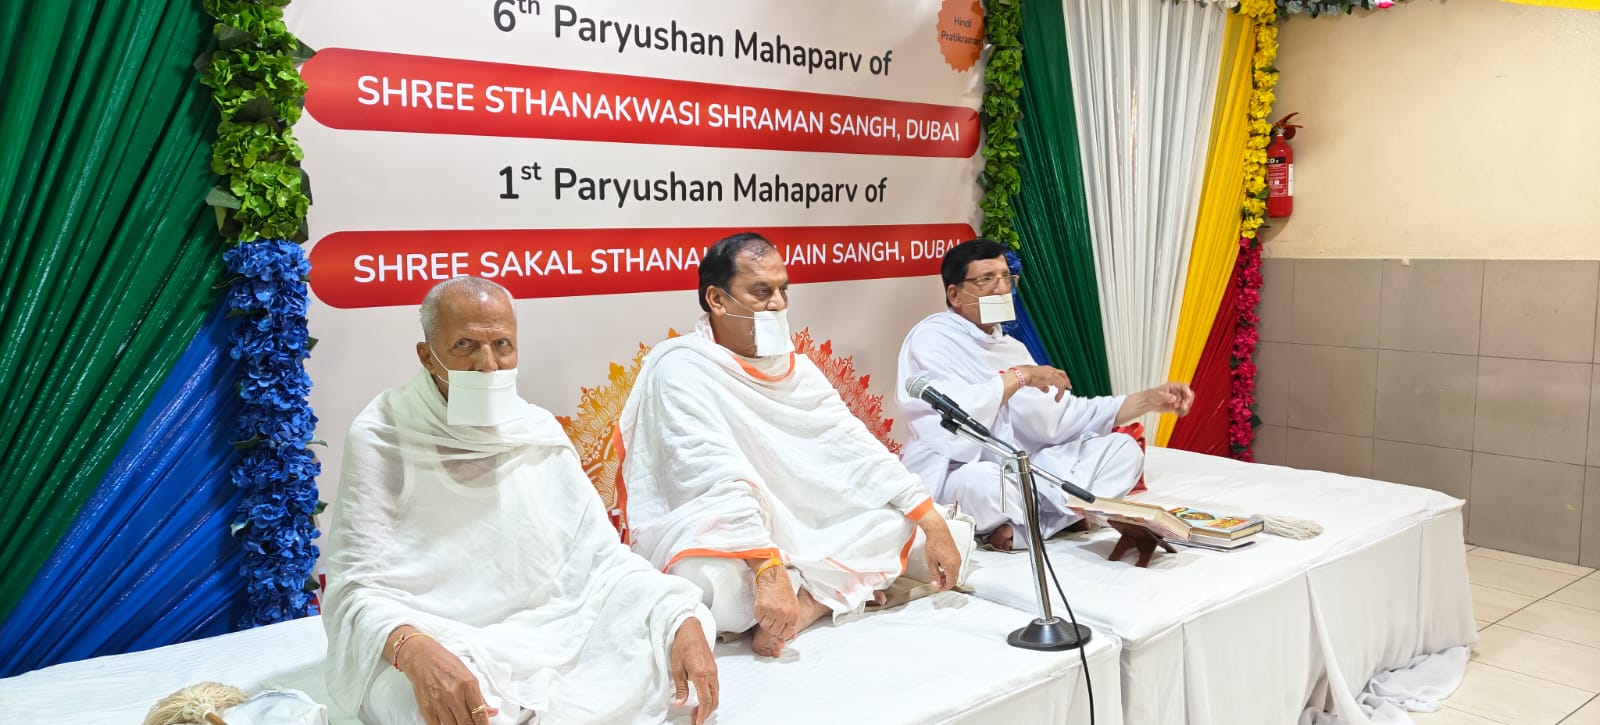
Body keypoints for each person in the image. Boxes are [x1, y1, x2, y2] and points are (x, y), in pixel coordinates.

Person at [322, 276, 718, 725]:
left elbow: (602, 560)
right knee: (423, 705)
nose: (487, 365)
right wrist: (412, 649)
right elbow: (355, 589)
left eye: (502, 346)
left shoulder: (537, 430)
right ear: (427, 355)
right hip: (443, 639)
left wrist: (674, 612)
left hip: (554, 626)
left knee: (686, 621)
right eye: (465, 345)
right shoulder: (384, 433)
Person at [618, 232, 967, 658]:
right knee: (701, 578)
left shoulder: (794, 366)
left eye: (783, 290)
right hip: (729, 532)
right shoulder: (681, 366)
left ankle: (810, 603)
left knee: (896, 523)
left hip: (797, 523)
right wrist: (767, 567)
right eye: (761, 292)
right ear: (717, 299)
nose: (778, 304)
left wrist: (932, 523)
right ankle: (829, 588)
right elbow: (712, 473)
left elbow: (853, 445)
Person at [896, 239, 1195, 551]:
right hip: (962, 473)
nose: (1001, 288)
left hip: (1027, 474)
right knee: (982, 483)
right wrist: (1020, 377)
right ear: (955, 294)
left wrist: (1149, 400)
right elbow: (954, 420)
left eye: (1006, 277)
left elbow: (1067, 417)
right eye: (986, 279)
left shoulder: (1011, 348)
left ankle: (1032, 526)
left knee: (1124, 450)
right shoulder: (932, 337)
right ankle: (1056, 518)